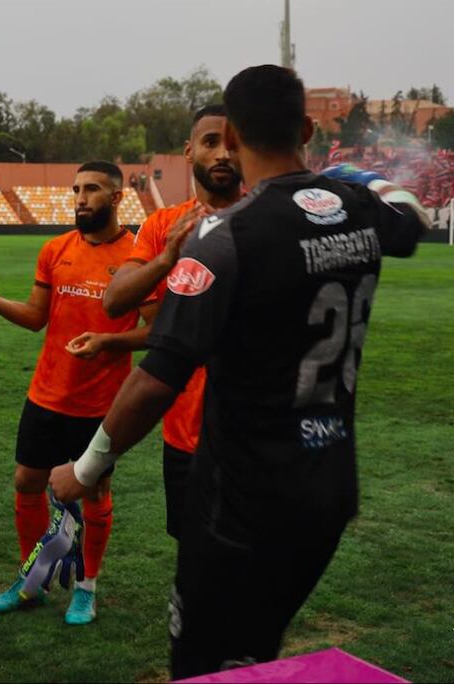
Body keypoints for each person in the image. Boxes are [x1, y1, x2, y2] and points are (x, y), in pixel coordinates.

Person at [48, 65, 427, 678]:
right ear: (305, 127)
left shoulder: (226, 239)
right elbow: (408, 215)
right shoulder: (356, 208)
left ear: (236, 133)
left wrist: (86, 468)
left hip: (244, 499)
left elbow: (156, 378)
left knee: (207, 664)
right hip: (329, 486)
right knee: (257, 647)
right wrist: (351, 175)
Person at [0, 161, 151, 625]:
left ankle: (87, 589)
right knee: (27, 482)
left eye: (93, 190)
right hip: (46, 394)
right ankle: (31, 581)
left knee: (95, 492)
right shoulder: (55, 249)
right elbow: (38, 315)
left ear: (117, 197)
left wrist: (108, 342)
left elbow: (155, 330)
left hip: (101, 405)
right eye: (77, 189)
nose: (80, 198)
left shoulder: (136, 260)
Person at [101, 104, 243, 540]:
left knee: (247, 558)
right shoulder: (164, 224)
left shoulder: (264, 219)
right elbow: (114, 300)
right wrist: (167, 258)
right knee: (190, 547)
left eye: (233, 144)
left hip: (247, 433)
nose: (222, 154)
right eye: (210, 142)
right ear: (188, 151)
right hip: (182, 431)